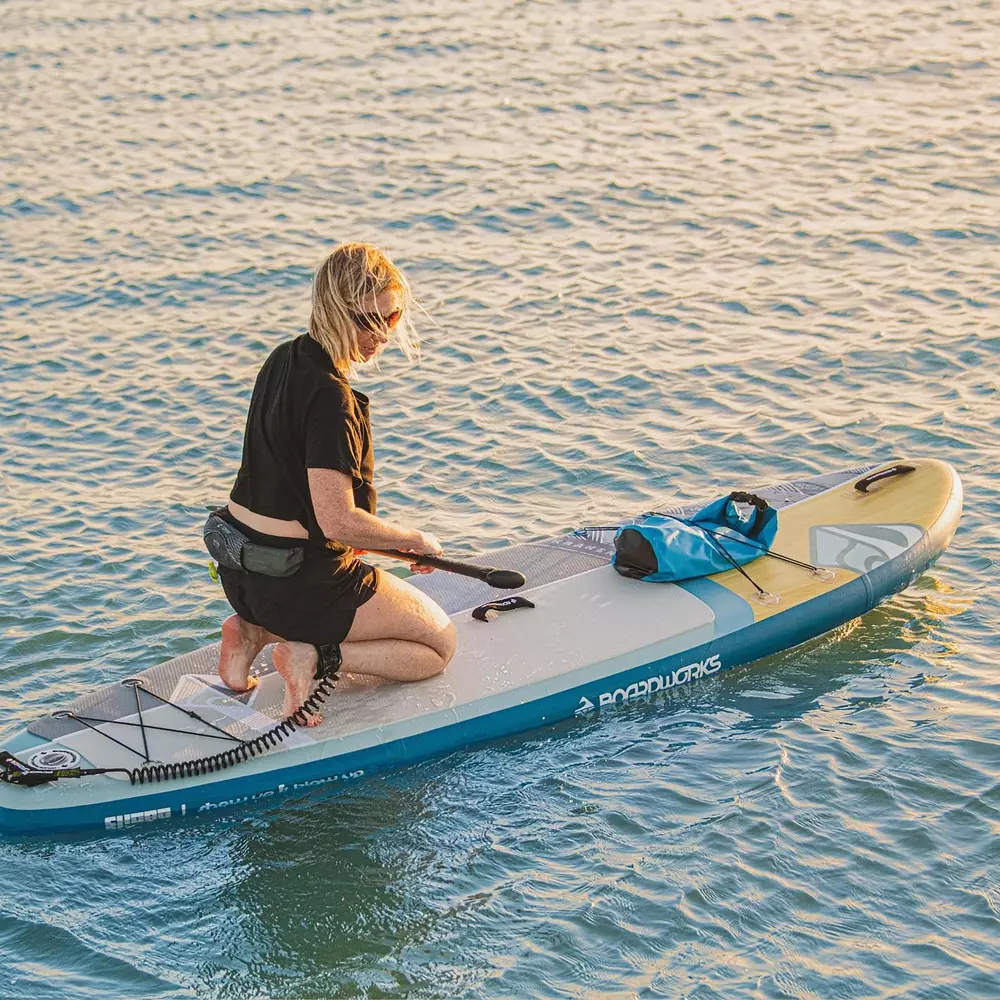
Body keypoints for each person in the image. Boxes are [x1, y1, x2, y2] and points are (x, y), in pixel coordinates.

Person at [210, 243, 456, 723]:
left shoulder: (284, 358)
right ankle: (313, 656)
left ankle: (250, 633)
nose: (382, 334)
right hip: (301, 589)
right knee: (437, 646)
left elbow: (288, 497)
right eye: (368, 320)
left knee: (330, 589)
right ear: (334, 311)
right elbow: (338, 522)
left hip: (243, 578)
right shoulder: (331, 400)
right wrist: (415, 540)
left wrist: (390, 545)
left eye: (392, 316)